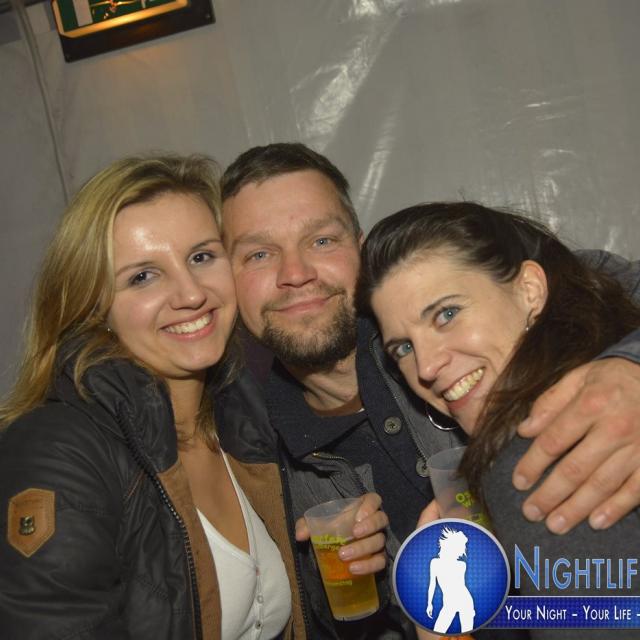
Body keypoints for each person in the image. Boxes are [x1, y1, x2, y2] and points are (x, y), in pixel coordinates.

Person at [217, 142, 640, 638]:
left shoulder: (454, 332)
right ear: (227, 280)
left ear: (360, 248)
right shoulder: (253, 457)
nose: (295, 274)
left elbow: (594, 280)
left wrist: (629, 366)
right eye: (259, 254)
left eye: (322, 240)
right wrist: (371, 589)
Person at [0, 153, 386, 640]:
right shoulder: (61, 450)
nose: (190, 294)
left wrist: (341, 565)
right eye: (142, 276)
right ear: (94, 306)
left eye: (201, 257)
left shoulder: (242, 424)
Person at [359, 201, 640, 639]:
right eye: (404, 348)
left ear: (530, 290)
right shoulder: (609, 351)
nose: (427, 367)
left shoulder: (535, 449)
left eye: (447, 314)